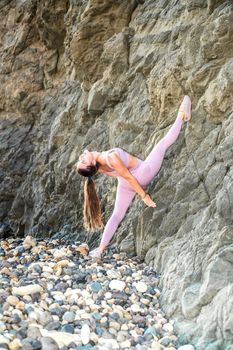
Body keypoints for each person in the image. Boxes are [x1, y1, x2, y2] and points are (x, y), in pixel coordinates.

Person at [74, 96, 192, 259]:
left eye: (80, 160)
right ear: (91, 163)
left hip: (125, 184)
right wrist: (144, 196)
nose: (81, 157)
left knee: (116, 215)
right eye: (83, 161)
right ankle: (182, 115)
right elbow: (129, 177)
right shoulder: (110, 157)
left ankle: (100, 250)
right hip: (141, 174)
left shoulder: (100, 166)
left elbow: (120, 175)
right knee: (163, 144)